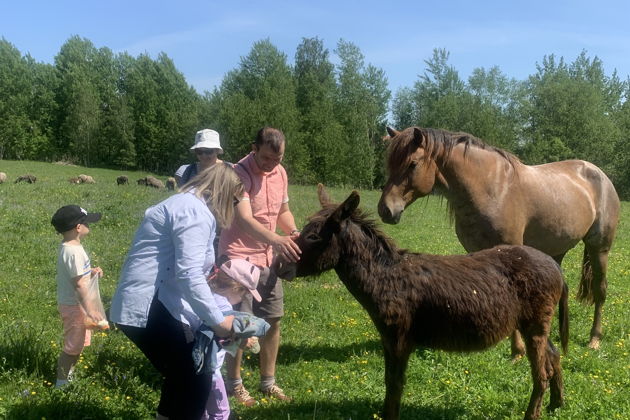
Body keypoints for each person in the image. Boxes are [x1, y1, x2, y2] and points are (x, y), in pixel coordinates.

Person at [109, 163, 243, 420]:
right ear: (225, 192)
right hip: (150, 304)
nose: (235, 207)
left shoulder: (186, 205)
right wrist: (218, 321)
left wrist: (213, 315)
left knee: (183, 374)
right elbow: (189, 274)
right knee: (194, 374)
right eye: (235, 200)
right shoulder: (194, 212)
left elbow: (191, 275)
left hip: (153, 302)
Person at [219, 127, 301, 405]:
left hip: (268, 259)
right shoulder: (237, 174)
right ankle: (234, 384)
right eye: (266, 158)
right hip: (238, 260)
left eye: (277, 159)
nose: (271, 165)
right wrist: (277, 240)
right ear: (253, 148)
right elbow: (243, 219)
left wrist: (292, 232)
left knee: (273, 320)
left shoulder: (280, 173)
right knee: (239, 326)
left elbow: (283, 211)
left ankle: (268, 382)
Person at [200, 259, 265, 420]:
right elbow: (223, 333)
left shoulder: (204, 293)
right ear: (236, 287)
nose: (244, 298)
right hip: (211, 372)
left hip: (197, 368)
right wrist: (243, 341)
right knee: (221, 412)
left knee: (200, 409)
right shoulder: (223, 307)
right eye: (245, 293)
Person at [51, 204, 106, 388]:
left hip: (75, 306)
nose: (89, 225)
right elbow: (79, 284)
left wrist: (90, 271)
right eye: (86, 222)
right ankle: (61, 384)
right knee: (72, 348)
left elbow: (76, 275)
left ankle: (68, 378)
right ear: (78, 227)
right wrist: (91, 311)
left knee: (77, 345)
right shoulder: (74, 252)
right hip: (75, 307)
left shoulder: (70, 248)